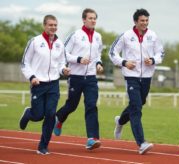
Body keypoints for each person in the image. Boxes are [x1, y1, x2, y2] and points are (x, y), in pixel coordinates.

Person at [109, 8, 165, 155]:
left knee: (139, 103)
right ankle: (141, 143)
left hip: (147, 76)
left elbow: (161, 53)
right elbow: (112, 52)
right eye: (142, 21)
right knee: (136, 109)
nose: (145, 23)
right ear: (135, 21)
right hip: (131, 76)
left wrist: (153, 60)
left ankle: (120, 121)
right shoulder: (126, 36)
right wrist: (124, 62)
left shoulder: (153, 36)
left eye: (147, 20)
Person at [53, 8, 103, 150]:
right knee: (72, 105)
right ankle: (59, 118)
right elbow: (63, 53)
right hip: (75, 76)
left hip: (91, 78)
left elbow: (98, 54)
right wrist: (79, 59)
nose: (93, 20)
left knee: (91, 105)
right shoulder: (75, 35)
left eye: (95, 18)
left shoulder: (98, 37)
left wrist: (99, 64)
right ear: (84, 19)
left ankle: (92, 138)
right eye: (90, 18)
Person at [19, 15, 70, 155]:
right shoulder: (35, 41)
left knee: (50, 114)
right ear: (44, 25)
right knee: (38, 115)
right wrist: (32, 77)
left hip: (54, 84)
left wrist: (63, 70)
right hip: (38, 83)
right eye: (50, 25)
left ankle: (43, 146)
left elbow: (60, 63)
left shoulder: (60, 44)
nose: (53, 27)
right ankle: (29, 113)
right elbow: (25, 63)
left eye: (55, 25)